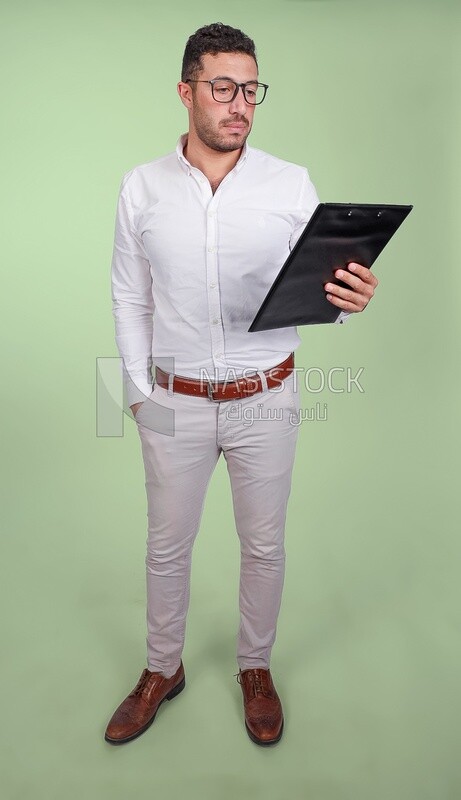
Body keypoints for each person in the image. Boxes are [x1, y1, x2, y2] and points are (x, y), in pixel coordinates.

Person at [104, 22, 378, 747]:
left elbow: (317, 286)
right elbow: (129, 297)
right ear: (186, 91)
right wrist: (136, 395)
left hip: (267, 396)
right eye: (222, 87)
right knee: (166, 548)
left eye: (250, 89)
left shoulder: (289, 184)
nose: (239, 105)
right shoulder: (142, 187)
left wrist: (345, 299)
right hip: (175, 402)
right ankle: (162, 668)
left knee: (264, 546)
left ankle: (254, 668)